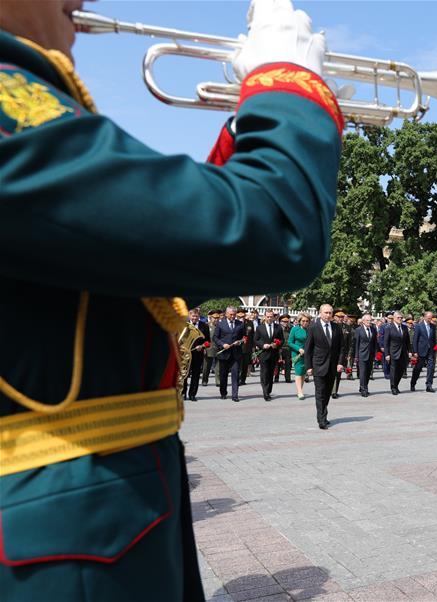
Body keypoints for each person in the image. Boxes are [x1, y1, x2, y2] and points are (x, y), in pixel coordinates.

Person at [0, 0, 343, 598]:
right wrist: (288, 82)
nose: (80, 3)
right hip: (60, 545)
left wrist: (250, 126)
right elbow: (276, 228)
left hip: (90, 519)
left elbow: (159, 262)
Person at [305, 304, 345, 429]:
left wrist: (340, 362)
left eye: (330, 313)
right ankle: (321, 419)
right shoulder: (313, 327)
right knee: (320, 392)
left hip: (332, 366)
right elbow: (308, 349)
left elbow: (341, 347)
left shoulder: (336, 328)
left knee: (327, 392)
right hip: (318, 365)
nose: (328, 315)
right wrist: (309, 367)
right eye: (326, 313)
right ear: (320, 313)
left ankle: (323, 414)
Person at [215, 306, 247, 402]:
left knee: (235, 374)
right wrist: (222, 344)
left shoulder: (240, 324)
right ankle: (223, 392)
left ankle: (235, 395)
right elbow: (215, 338)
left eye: (234, 314)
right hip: (224, 354)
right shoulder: (220, 324)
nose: (233, 316)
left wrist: (240, 342)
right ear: (226, 314)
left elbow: (244, 337)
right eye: (231, 314)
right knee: (223, 375)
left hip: (236, 354)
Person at [253, 309, 283, 401]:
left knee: (271, 373)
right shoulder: (260, 328)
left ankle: (269, 390)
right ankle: (265, 393)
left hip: (274, 354)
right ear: (265, 317)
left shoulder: (278, 327)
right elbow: (256, 340)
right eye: (268, 316)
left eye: (271, 316)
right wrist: (262, 345)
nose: (269, 318)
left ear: (274, 317)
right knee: (264, 373)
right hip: (264, 354)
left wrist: (277, 344)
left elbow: (282, 340)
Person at [182, 308, 210, 402]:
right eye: (193, 316)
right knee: (184, 374)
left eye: (196, 316)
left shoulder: (204, 326)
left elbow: (208, 342)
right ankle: (183, 393)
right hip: (185, 354)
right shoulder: (184, 325)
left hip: (198, 354)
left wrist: (202, 346)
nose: (194, 318)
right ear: (189, 316)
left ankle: (192, 394)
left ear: (199, 316)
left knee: (196, 374)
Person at [383, 312, 410, 395]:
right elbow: (386, 342)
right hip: (393, 352)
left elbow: (407, 341)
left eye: (401, 317)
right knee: (393, 370)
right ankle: (393, 387)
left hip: (403, 352)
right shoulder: (389, 328)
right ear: (394, 318)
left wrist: (410, 351)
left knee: (401, 370)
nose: (400, 319)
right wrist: (387, 354)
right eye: (398, 317)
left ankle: (396, 385)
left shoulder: (404, 327)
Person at [410, 311, 437, 392]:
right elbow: (415, 340)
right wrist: (415, 352)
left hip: (430, 351)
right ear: (425, 317)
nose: (430, 320)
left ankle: (429, 385)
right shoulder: (419, 326)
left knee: (431, 368)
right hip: (420, 351)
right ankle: (413, 383)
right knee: (418, 368)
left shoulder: (433, 326)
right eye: (428, 318)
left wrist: (434, 348)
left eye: (431, 318)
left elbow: (433, 338)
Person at [354, 313, 378, 397]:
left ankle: (363, 386)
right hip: (362, 354)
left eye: (370, 320)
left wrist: (375, 353)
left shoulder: (373, 329)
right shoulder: (358, 330)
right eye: (367, 320)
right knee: (363, 372)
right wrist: (356, 356)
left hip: (370, 354)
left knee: (368, 373)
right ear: (363, 321)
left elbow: (375, 342)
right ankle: (364, 389)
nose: (369, 322)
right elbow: (356, 343)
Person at [288, 313, 310, 400]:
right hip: (297, 354)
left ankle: (299, 390)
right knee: (298, 372)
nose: (305, 322)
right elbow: (290, 342)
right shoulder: (294, 329)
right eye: (303, 321)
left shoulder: (310, 330)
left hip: (307, 354)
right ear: (299, 321)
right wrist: (298, 349)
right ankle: (300, 391)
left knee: (303, 372)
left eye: (307, 321)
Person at [331, 309, 352, 398]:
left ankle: (334, 391)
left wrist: (349, 354)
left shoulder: (347, 328)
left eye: (342, 317)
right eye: (338, 316)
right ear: (334, 317)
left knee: (338, 373)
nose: (340, 318)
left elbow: (350, 342)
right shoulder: (331, 326)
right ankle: (329, 389)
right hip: (331, 353)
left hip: (342, 353)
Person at [203, 309, 221, 387]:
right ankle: (205, 380)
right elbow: (203, 338)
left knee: (218, 367)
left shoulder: (221, 326)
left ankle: (218, 381)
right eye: (214, 318)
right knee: (206, 366)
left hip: (219, 348)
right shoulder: (206, 326)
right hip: (209, 348)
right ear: (210, 317)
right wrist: (204, 348)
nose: (216, 319)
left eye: (217, 318)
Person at [274, 315, 293, 383]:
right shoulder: (277, 328)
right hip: (279, 348)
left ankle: (287, 378)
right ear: (280, 322)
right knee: (277, 364)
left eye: (287, 321)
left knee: (288, 364)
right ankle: (276, 377)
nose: (286, 323)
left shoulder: (291, 328)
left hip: (287, 348)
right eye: (284, 321)